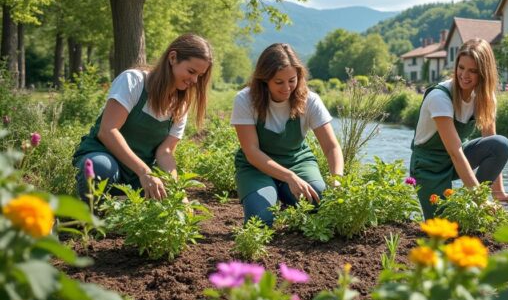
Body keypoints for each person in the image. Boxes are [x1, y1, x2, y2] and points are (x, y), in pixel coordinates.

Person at [72, 34, 213, 201]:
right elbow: (108, 130)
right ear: (173, 58)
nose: (195, 80)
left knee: (166, 195)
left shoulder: (181, 104)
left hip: (138, 172)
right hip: (106, 157)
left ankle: (117, 204)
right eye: (191, 71)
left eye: (200, 75)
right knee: (100, 168)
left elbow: (165, 152)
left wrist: (176, 189)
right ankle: (95, 211)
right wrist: (145, 172)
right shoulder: (134, 81)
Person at [231, 43, 343, 225]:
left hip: (297, 162)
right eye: (278, 82)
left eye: (292, 80)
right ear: (264, 79)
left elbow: (331, 147)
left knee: (322, 206)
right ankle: (275, 190)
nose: (287, 88)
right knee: (260, 219)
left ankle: (284, 192)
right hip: (255, 168)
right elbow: (251, 152)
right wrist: (290, 177)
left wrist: (337, 180)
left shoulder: (310, 101)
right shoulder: (245, 99)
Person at [410, 38, 508, 219]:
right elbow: (455, 152)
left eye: (473, 71)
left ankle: (476, 201)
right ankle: (474, 201)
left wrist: (497, 192)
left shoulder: (485, 97)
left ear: (484, 73)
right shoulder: (439, 97)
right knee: (446, 227)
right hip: (428, 167)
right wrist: (479, 199)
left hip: (457, 159)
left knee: (499, 144)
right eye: (461, 68)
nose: (464, 75)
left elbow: (489, 138)